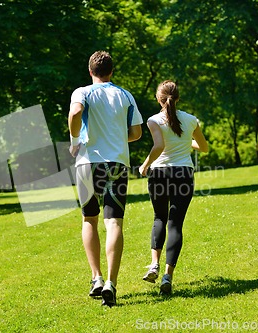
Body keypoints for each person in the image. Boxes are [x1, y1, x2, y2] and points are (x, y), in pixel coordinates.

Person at [68, 51, 143, 307]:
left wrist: (75, 141)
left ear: (90, 71)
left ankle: (96, 278)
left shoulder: (82, 92)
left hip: (87, 163)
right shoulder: (125, 95)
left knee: (89, 219)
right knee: (114, 222)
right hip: (117, 163)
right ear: (112, 71)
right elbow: (136, 133)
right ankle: (111, 282)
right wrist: (118, 138)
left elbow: (76, 113)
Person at [138, 80, 208, 294]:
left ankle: (154, 265)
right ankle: (168, 276)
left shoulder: (153, 120)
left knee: (159, 217)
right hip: (183, 174)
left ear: (159, 99)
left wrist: (145, 164)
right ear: (177, 98)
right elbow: (203, 147)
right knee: (175, 224)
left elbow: (159, 146)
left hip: (159, 173)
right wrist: (188, 142)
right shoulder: (191, 120)